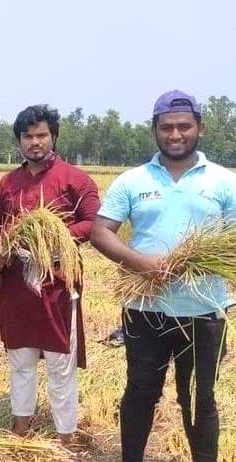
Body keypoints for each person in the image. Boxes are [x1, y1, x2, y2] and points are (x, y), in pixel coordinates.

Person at [90, 90, 235, 462]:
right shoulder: (132, 180)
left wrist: (206, 265)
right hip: (144, 308)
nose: (175, 134)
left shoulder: (223, 181)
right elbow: (100, 231)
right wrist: (140, 263)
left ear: (199, 128)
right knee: (140, 391)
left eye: (184, 126)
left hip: (204, 311)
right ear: (154, 130)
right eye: (167, 127)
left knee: (199, 399)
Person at [0, 105, 99, 445]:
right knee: (20, 360)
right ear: (19, 141)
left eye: (41, 135)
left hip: (58, 282)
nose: (35, 142)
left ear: (53, 137)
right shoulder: (8, 183)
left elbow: (94, 224)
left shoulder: (75, 179)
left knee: (59, 364)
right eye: (28, 136)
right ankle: (21, 429)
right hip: (17, 284)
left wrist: (55, 237)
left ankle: (64, 436)